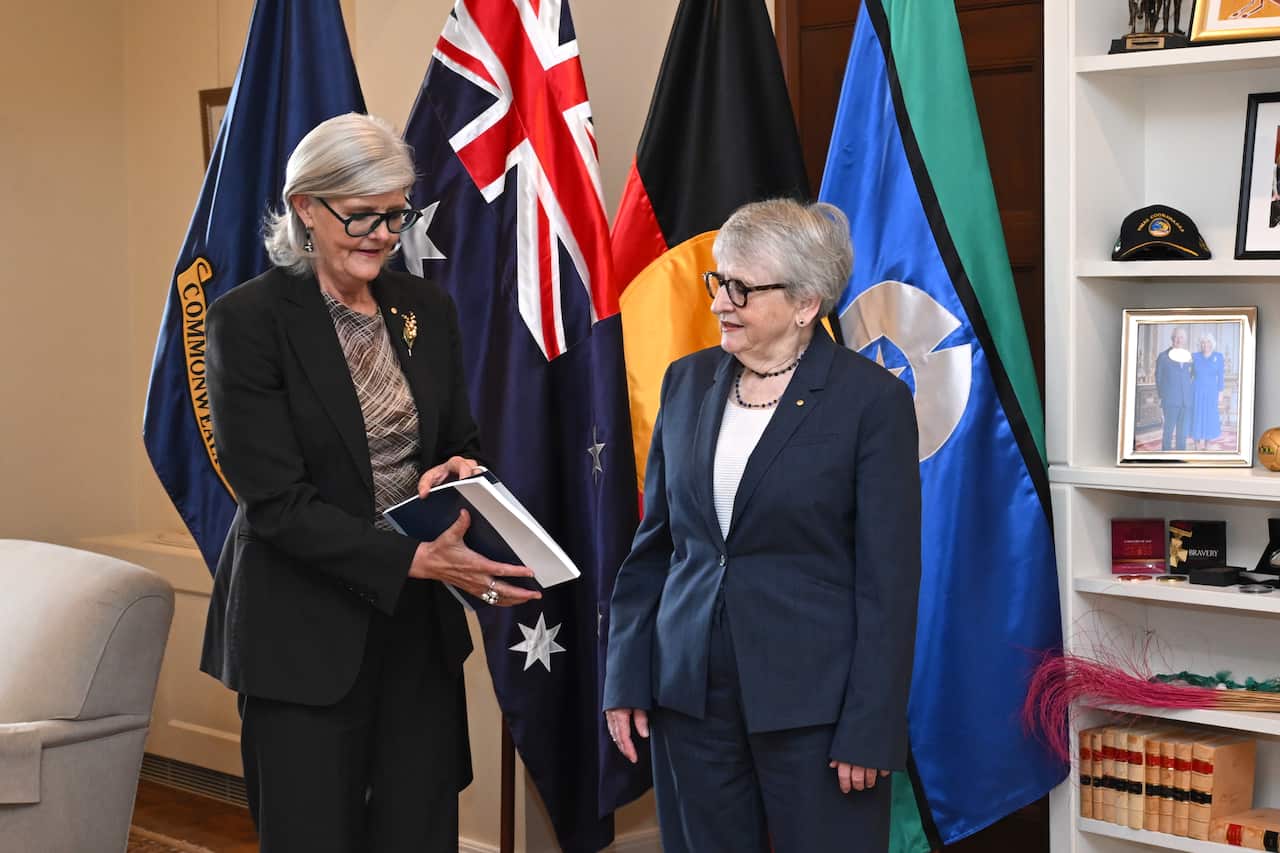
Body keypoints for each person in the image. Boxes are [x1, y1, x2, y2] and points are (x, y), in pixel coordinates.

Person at [200, 112, 540, 853]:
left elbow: (457, 439)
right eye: (361, 215)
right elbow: (275, 504)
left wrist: (459, 470)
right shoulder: (247, 323)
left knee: (419, 834)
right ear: (305, 209)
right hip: (301, 635)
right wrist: (409, 558)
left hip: (414, 633)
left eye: (396, 214)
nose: (383, 234)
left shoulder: (425, 307)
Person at [602, 199, 922, 852]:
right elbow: (656, 545)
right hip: (690, 697)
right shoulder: (686, 382)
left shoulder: (872, 403)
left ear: (806, 303)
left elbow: (889, 581)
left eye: (741, 288)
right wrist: (627, 674)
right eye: (719, 281)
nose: (721, 301)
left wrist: (870, 725)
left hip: (817, 710)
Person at [1155, 325, 1194, 451]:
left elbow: (1192, 376)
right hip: (1170, 401)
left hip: (1185, 402)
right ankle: (1165, 459)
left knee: (1182, 435)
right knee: (1168, 432)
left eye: (1181, 337)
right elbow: (1158, 378)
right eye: (1176, 337)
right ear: (1172, 338)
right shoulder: (1163, 356)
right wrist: (1162, 397)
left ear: (1185, 340)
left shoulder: (1189, 357)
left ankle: (1180, 458)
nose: (1179, 340)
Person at [1190, 332, 1225, 450]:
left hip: (1211, 391)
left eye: (1208, 342)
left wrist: (1220, 393)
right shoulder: (1194, 356)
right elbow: (1189, 375)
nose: (1205, 345)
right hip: (1196, 390)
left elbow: (1220, 376)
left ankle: (1207, 443)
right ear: (1200, 344)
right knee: (1196, 415)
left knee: (1209, 416)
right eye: (1203, 342)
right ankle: (1196, 443)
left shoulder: (1218, 357)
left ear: (1212, 343)